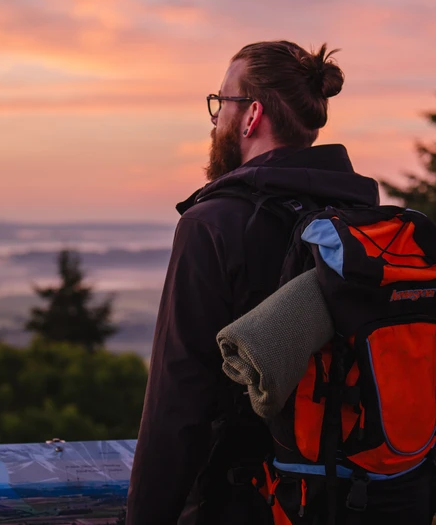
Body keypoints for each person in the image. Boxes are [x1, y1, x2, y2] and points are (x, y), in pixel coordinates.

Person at [126, 40, 382, 524]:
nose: (215, 117)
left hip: (252, 502)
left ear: (251, 115)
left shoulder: (214, 224)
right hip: (359, 496)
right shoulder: (363, 221)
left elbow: (177, 404)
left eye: (222, 101)